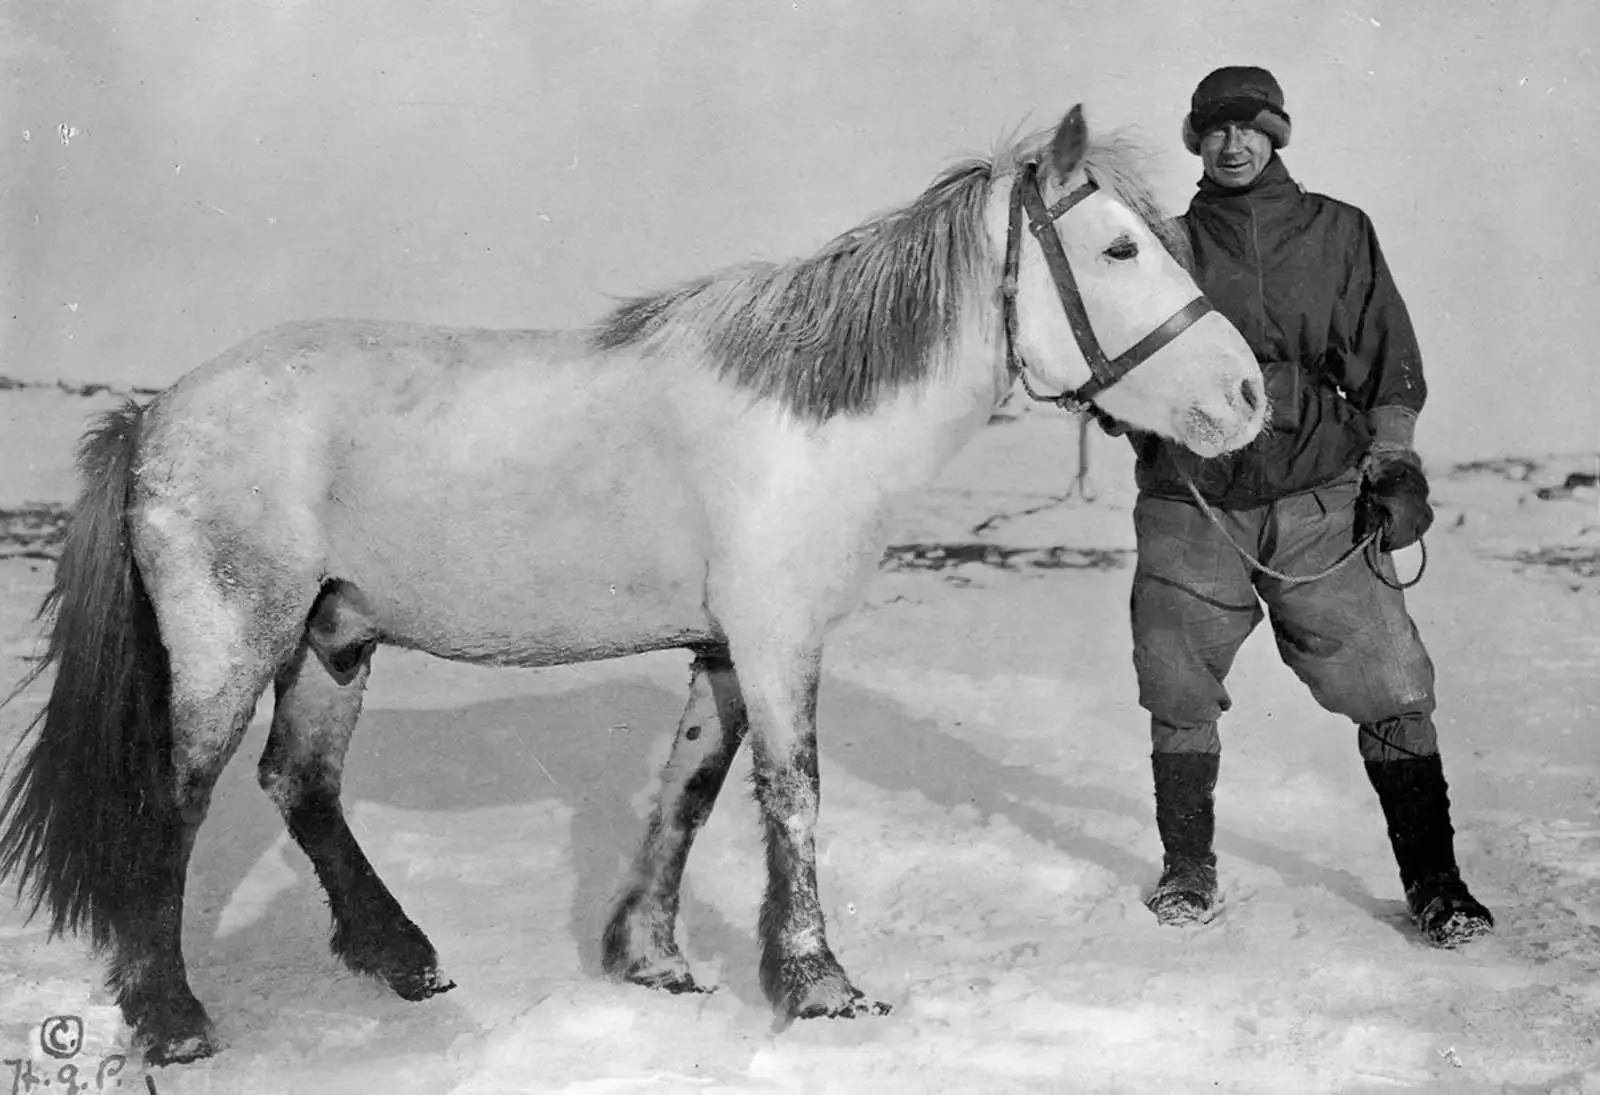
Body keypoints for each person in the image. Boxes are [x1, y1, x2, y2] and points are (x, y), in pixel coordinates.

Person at [1124, 65, 1493, 946]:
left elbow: (1386, 360)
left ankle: (1436, 883)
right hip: (1191, 501)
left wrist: (1394, 463)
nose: (1233, 143)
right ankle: (1187, 865)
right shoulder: (1160, 245)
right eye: (1215, 128)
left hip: (1318, 492)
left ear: (1278, 133)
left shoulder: (1338, 231)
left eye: (1250, 127)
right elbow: (1121, 371)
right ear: (1197, 140)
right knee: (1176, 682)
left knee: (1392, 684)